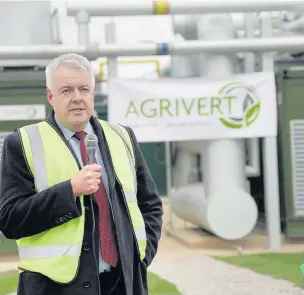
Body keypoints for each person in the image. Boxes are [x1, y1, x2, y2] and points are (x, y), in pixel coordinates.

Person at [0, 53, 163, 295]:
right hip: (54, 287)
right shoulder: (22, 142)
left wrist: (141, 255)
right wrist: (70, 191)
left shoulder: (122, 136)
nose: (77, 98)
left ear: (93, 94)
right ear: (50, 96)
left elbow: (150, 205)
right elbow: (10, 219)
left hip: (123, 283)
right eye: (66, 90)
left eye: (83, 89)